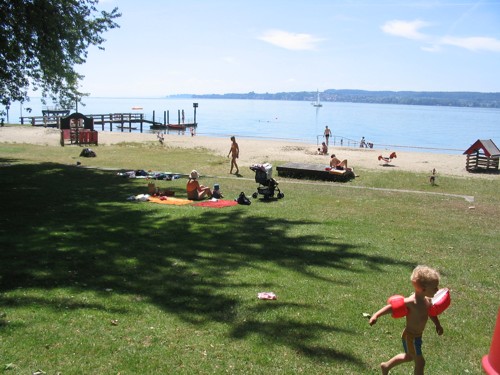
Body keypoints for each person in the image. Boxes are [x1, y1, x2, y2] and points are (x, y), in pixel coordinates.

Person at [369, 265, 444, 375]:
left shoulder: (427, 300)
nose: (437, 290)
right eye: (435, 288)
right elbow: (391, 307)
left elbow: (431, 313)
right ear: (423, 289)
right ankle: (386, 366)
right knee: (420, 362)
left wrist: (437, 324)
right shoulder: (410, 302)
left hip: (417, 336)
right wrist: (376, 315)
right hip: (411, 337)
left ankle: (386, 366)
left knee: (408, 357)